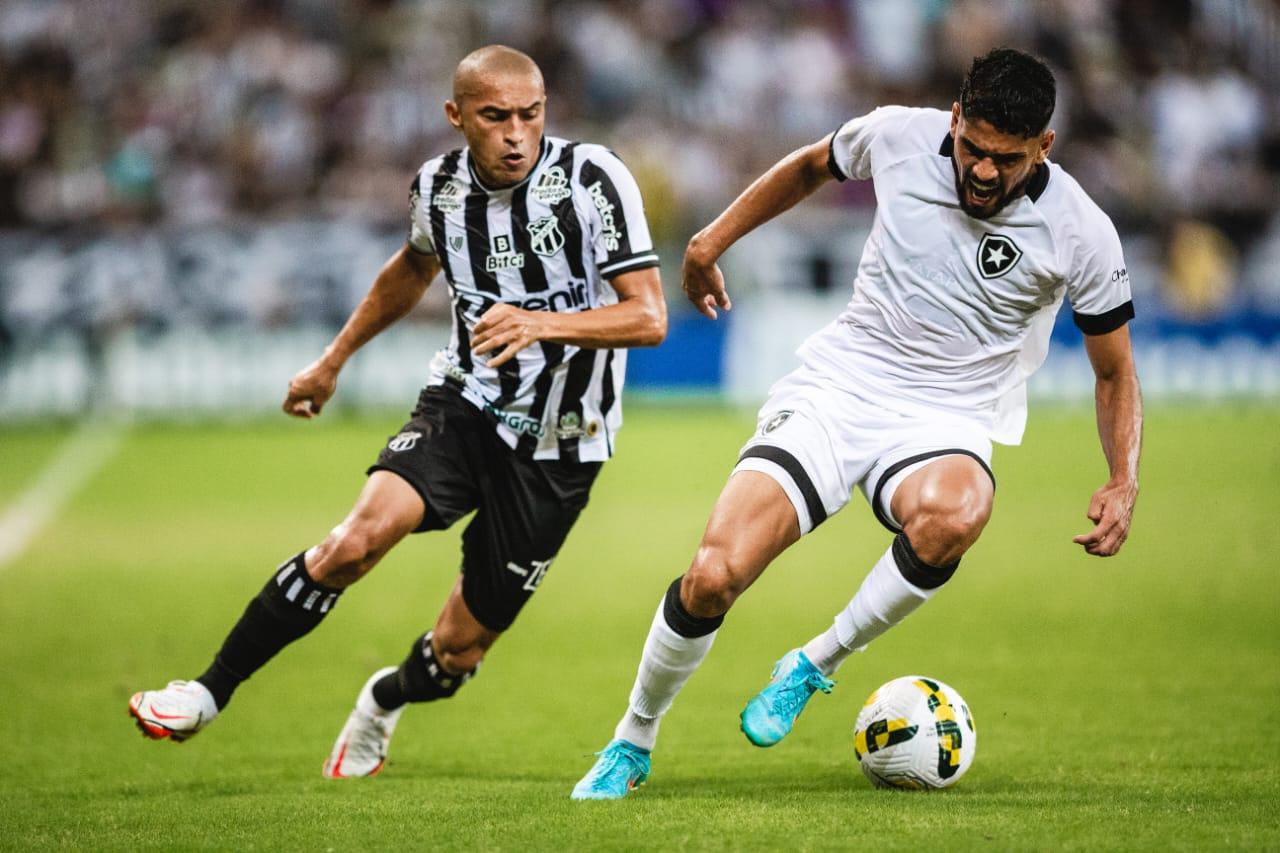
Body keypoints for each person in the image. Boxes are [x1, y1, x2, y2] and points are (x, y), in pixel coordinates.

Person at [571, 47, 1141, 800]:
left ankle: (814, 663)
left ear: (1045, 147)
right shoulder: (899, 136)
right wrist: (711, 240)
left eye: (1005, 160)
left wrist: (1123, 477)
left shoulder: (1081, 231)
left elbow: (1114, 372)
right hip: (841, 385)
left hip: (951, 414)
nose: (980, 171)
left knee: (959, 511)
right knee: (712, 575)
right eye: (972, 148)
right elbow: (812, 164)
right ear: (954, 120)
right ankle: (633, 739)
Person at [128, 45, 666, 779]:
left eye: (530, 115)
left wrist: (540, 324)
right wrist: (332, 359)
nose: (516, 134)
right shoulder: (437, 188)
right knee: (355, 540)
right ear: (456, 117)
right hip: (465, 405)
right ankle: (206, 690)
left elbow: (648, 317)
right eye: (495, 116)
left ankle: (383, 697)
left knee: (459, 649)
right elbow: (414, 265)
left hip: (565, 442)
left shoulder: (594, 180)